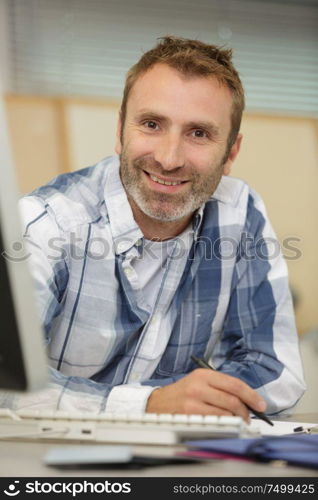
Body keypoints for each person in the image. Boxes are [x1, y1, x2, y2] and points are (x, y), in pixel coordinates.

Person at [3, 36, 305, 420]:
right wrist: (151, 405)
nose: (169, 158)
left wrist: (197, 400)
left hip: (179, 461)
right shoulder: (45, 223)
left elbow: (275, 371)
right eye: (151, 124)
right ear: (120, 131)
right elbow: (6, 386)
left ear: (231, 152)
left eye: (198, 133)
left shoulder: (239, 214)